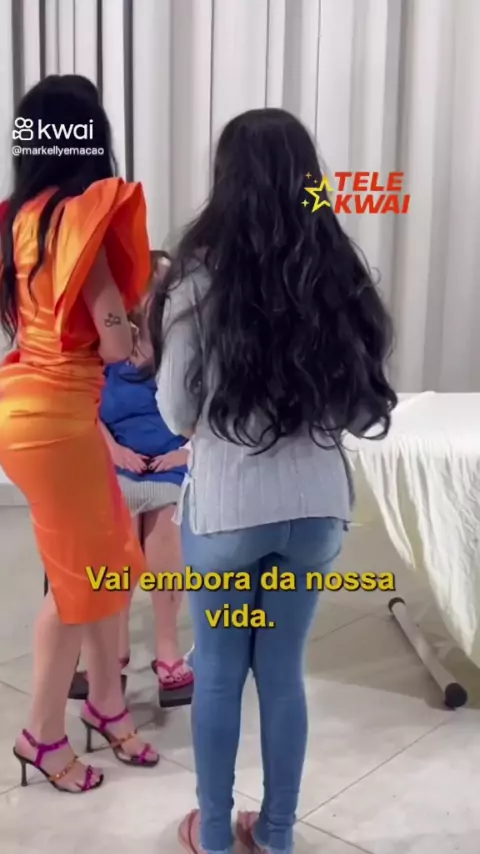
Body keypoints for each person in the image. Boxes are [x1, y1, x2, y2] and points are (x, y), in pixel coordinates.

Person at [149, 108, 397, 854]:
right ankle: (278, 833)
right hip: (315, 513)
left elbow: (176, 412)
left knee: (221, 673)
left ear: (227, 183)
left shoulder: (197, 283)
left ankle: (215, 835)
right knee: (283, 674)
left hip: (228, 514)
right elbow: (362, 409)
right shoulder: (338, 278)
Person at [0, 74, 159, 794]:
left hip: (35, 408)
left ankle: (107, 704)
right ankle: (42, 734)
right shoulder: (79, 220)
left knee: (111, 557)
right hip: (58, 421)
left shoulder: (21, 216)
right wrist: (132, 321)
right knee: (77, 582)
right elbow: (115, 342)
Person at [98, 256, 193, 707]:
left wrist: (187, 451)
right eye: (157, 283)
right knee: (122, 532)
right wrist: (113, 451)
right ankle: (115, 649)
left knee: (164, 521)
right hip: (117, 460)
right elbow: (84, 407)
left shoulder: (185, 344)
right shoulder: (108, 343)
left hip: (169, 462)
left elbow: (212, 410)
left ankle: (167, 648)